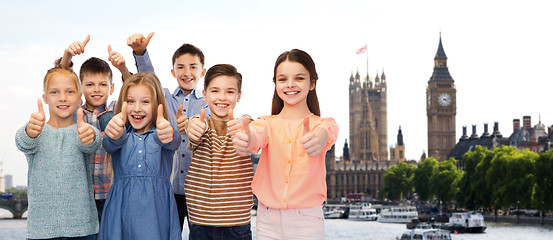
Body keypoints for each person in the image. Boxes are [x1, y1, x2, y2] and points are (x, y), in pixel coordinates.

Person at [232, 49, 339, 240]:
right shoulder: (265, 123)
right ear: (275, 84)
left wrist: (319, 138)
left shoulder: (322, 124)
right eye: (282, 79)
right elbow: (256, 136)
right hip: (267, 220)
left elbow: (327, 132)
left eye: (299, 78)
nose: (290, 85)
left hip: (307, 221)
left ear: (312, 83)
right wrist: (247, 138)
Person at [127, 32, 210, 231]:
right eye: (180, 67)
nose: (187, 72)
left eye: (193, 67)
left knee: (200, 234)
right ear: (173, 72)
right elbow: (149, 77)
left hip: (199, 189)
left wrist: (190, 124)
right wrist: (140, 52)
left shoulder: (208, 102)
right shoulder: (165, 98)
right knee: (166, 233)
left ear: (202, 71)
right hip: (169, 188)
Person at [15, 66, 101, 240]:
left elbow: (93, 143)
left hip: (82, 230)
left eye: (69, 91)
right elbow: (22, 142)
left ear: (79, 97)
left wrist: (90, 136)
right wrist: (30, 131)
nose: (62, 98)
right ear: (45, 98)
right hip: (41, 231)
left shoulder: (83, 130)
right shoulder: (36, 131)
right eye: (54, 92)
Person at [57, 34, 131, 230]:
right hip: (81, 197)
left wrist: (122, 68)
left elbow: (135, 90)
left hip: (112, 195)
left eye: (103, 84)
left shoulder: (117, 110)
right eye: (89, 84)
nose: (96, 90)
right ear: (80, 88)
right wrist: (67, 56)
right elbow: (59, 82)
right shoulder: (74, 112)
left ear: (112, 87)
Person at [99, 72, 182, 240]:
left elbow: (174, 140)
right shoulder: (120, 136)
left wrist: (169, 131)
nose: (137, 108)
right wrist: (114, 132)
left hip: (156, 216)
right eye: (130, 101)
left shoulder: (162, 134)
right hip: (121, 216)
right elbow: (109, 143)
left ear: (157, 105)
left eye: (145, 102)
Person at [178, 64, 254, 239]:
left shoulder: (244, 125)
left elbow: (251, 126)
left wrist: (248, 127)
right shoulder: (201, 122)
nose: (222, 97)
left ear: (238, 96)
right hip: (200, 223)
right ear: (205, 94)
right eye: (215, 91)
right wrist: (192, 126)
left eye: (229, 92)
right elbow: (196, 123)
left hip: (237, 222)